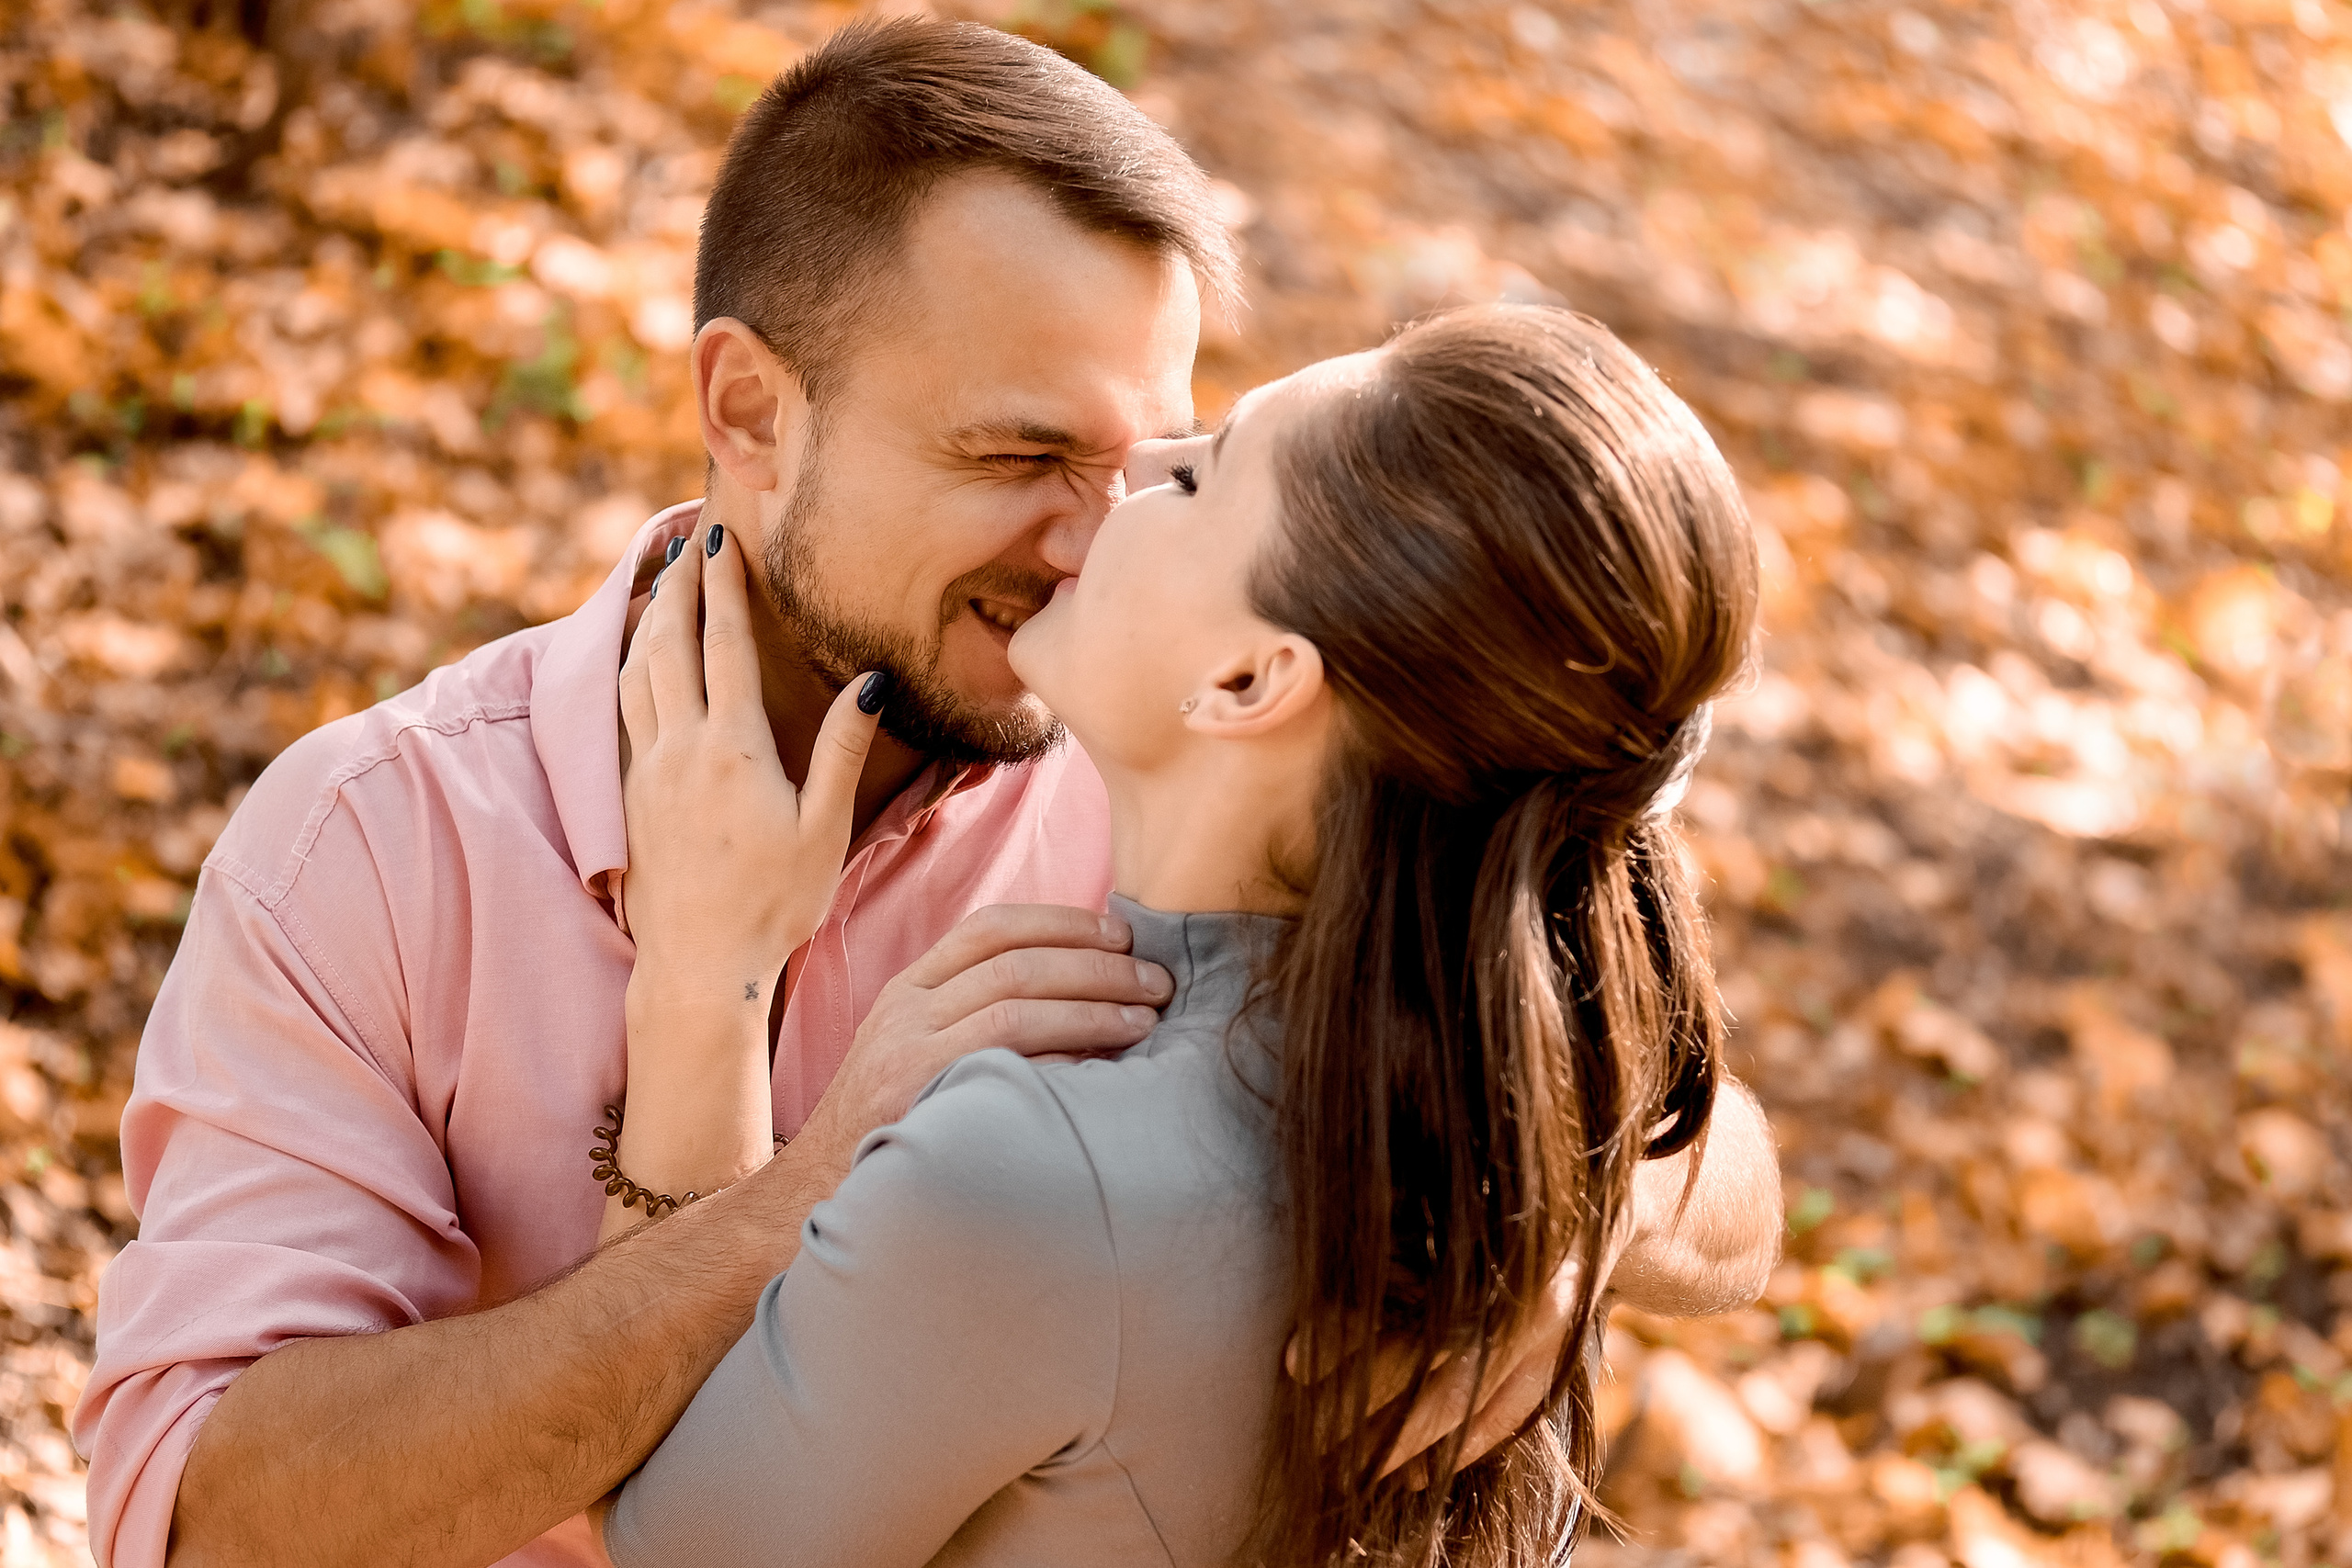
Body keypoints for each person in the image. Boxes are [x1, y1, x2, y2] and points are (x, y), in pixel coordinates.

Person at [75, 21, 1744, 1567]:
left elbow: (1722, 1178)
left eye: (1152, 460)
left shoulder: (1183, 763)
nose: (1098, 541)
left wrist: (1544, 1201)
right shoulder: (382, 841)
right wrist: (797, 1182)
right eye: (1020, 461)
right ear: (752, 415)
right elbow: (209, 1518)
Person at [591, 303, 1783, 1568]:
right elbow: (1713, 1170)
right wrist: (1564, 1210)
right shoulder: (1488, 1094)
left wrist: (704, 980)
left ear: (1247, 684)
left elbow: (667, 1542)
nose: (1130, 476)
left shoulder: (1029, 1173)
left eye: (1200, 471)